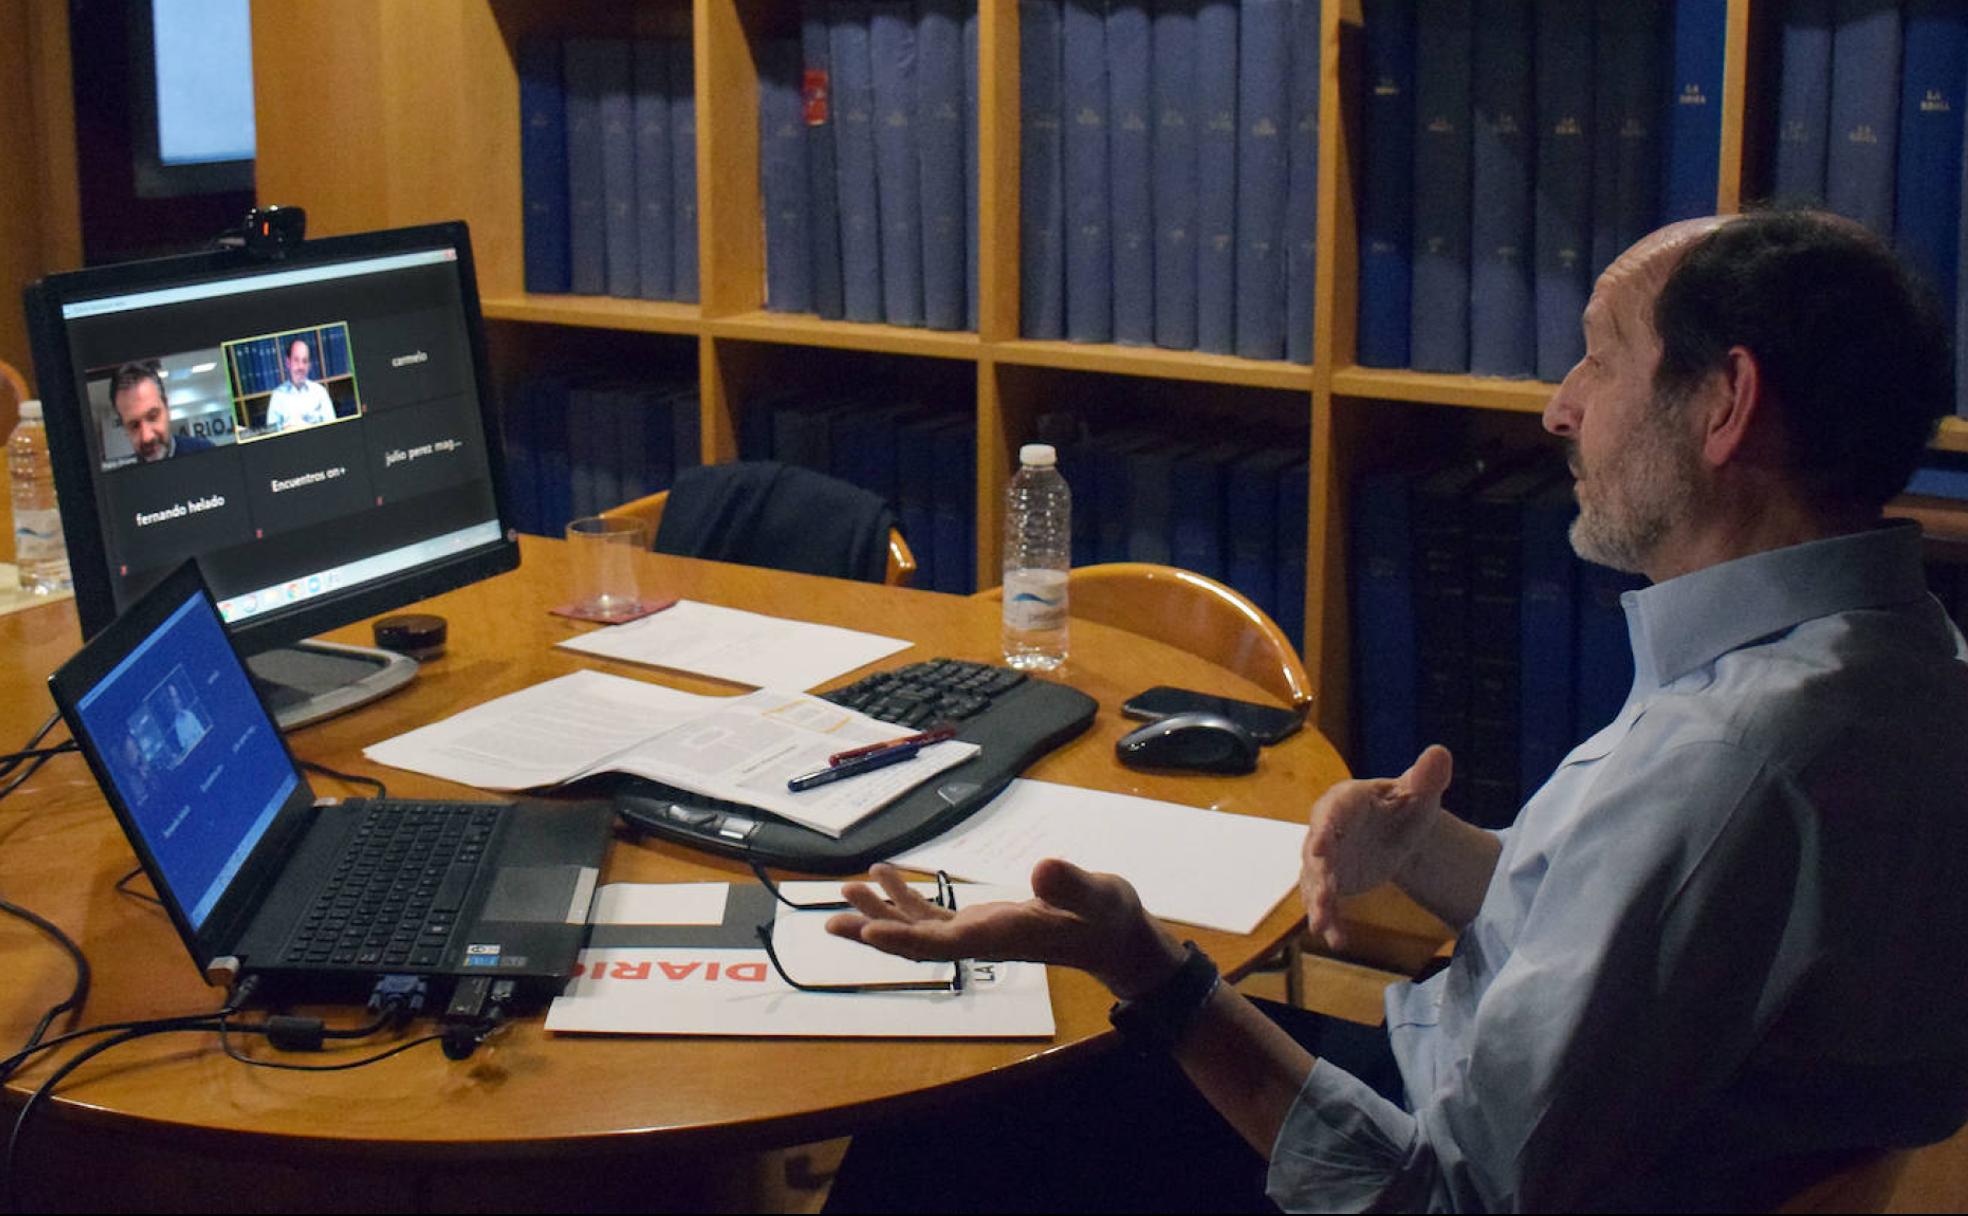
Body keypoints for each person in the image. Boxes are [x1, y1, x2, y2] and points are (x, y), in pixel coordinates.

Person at [822, 210, 1968, 1212]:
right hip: (1507, 1110)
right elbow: (1647, 934)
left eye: (1600, 361)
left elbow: (1444, 1195)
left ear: (1724, 403)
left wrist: (1154, 976)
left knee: (950, 1117)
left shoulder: (1733, 758)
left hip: (1410, 1156)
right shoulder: (1892, 655)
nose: (1561, 410)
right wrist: (1429, 846)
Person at [109, 363, 213, 464]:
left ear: (167, 407)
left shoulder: (206, 454)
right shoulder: (126, 478)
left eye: (153, 417)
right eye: (134, 425)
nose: (147, 437)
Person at [263, 337, 336, 433]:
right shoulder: (277, 397)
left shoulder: (320, 392)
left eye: (304, 361)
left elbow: (333, 429)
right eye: (296, 360)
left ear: (309, 365)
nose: (301, 366)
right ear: (288, 363)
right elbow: (271, 435)